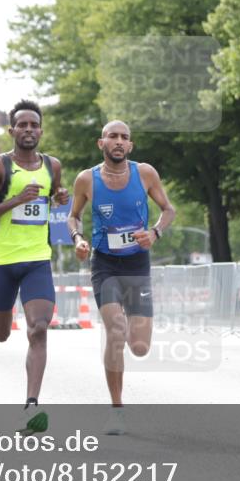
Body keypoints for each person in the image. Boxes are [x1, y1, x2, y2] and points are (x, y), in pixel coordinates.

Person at [67, 120, 176, 435]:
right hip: (105, 265)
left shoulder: (145, 174)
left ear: (130, 146)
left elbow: (168, 210)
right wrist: (78, 239)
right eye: (112, 136)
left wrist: (155, 232)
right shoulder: (87, 179)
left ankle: (131, 328)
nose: (118, 141)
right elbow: (73, 216)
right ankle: (116, 410)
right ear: (101, 143)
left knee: (140, 346)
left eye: (124, 137)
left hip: (137, 264)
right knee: (115, 331)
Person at [0, 99, 69, 434]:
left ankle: (31, 406)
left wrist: (60, 198)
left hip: (37, 261)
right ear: (12, 130)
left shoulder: (52, 166)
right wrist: (15, 200)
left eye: (34, 125)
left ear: (41, 130)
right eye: (22, 125)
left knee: (38, 328)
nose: (29, 130)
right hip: (3, 262)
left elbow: (55, 196)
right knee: (1, 335)